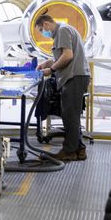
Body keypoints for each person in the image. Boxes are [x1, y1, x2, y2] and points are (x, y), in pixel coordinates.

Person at [35, 14, 91, 161]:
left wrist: (51, 70)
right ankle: (79, 150)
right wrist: (48, 63)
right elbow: (63, 55)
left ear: (46, 24)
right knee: (72, 116)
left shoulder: (62, 31)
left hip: (74, 77)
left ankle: (69, 151)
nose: (43, 33)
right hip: (76, 76)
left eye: (41, 30)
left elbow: (67, 56)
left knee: (70, 116)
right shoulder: (65, 30)